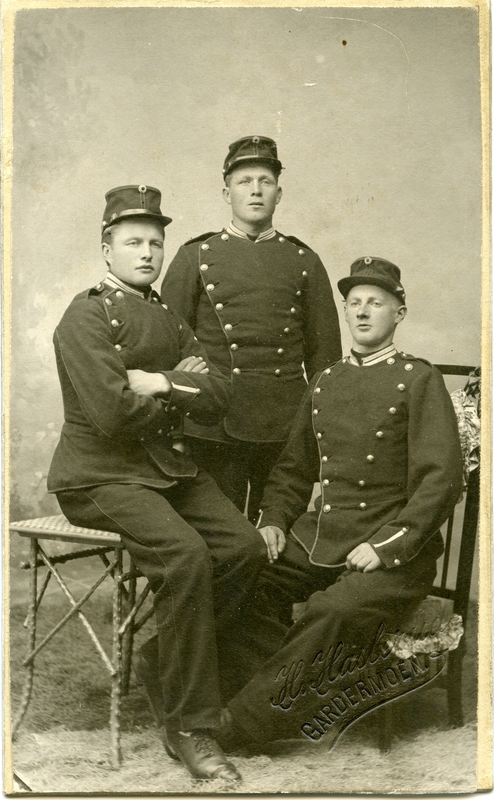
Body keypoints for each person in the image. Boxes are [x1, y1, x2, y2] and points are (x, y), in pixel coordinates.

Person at [47, 185, 268, 783]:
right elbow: (112, 413)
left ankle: (164, 662)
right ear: (107, 248)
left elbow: (220, 394)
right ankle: (191, 725)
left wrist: (159, 381)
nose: (147, 253)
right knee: (185, 555)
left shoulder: (168, 315)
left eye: (155, 243)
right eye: (133, 242)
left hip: (166, 469)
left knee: (244, 548)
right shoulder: (86, 316)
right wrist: (178, 385)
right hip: (98, 475)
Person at [212, 257, 464, 749]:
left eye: (376, 303)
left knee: (332, 610)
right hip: (321, 536)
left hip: (394, 551)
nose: (363, 312)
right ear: (345, 311)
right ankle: (272, 694)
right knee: (244, 580)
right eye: (354, 303)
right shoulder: (325, 381)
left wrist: (386, 547)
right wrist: (273, 521)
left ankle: (242, 725)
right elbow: (293, 469)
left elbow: (441, 481)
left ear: (400, 313)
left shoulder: (419, 379)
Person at [161, 136, 342, 523]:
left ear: (279, 193)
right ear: (226, 193)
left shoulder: (304, 260)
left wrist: (317, 430)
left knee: (276, 532)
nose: (256, 190)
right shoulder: (194, 256)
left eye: (265, 181)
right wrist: (175, 429)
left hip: (284, 425)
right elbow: (169, 345)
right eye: (244, 181)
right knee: (221, 536)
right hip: (212, 425)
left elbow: (325, 359)